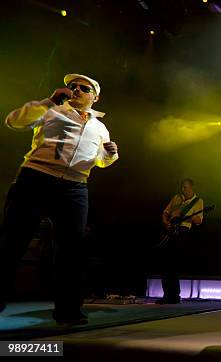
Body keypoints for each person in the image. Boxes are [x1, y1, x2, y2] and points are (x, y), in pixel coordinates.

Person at [0, 74, 118, 325]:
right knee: (12, 242)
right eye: (72, 86)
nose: (75, 89)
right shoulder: (52, 110)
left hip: (75, 187)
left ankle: (68, 310)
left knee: (71, 251)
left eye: (83, 88)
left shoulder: (100, 127)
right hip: (36, 178)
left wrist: (111, 155)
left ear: (95, 97)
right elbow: (13, 121)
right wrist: (48, 102)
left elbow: (100, 161)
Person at [158, 178, 204, 304]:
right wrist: (166, 223)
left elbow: (199, 221)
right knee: (164, 263)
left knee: (173, 263)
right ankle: (166, 294)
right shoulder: (177, 197)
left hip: (182, 231)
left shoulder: (198, 201)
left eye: (186, 187)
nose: (183, 190)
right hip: (170, 230)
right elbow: (165, 212)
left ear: (192, 188)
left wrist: (193, 217)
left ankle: (174, 295)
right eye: (182, 187)